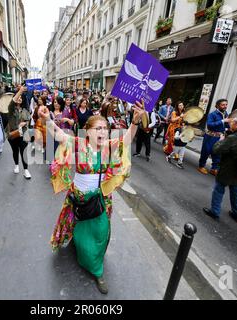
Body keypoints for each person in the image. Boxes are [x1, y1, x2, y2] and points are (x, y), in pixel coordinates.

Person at [39, 100, 146, 294]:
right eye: (98, 128)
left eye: (105, 128)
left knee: (99, 232)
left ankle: (97, 270)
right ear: (87, 131)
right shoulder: (79, 144)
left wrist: (135, 121)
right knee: (77, 228)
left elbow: (127, 139)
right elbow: (59, 134)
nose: (103, 132)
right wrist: (47, 119)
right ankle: (78, 246)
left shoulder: (109, 146)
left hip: (100, 197)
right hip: (78, 196)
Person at [203, 113, 237, 222]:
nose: (230, 123)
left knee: (219, 189)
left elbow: (216, 150)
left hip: (229, 169)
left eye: (233, 122)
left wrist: (221, 140)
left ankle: (215, 211)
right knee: (236, 191)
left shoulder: (234, 138)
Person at [198, 99, 231, 176]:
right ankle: (201, 166)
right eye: (223, 105)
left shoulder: (225, 113)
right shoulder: (212, 114)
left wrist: (230, 126)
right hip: (210, 137)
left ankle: (214, 168)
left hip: (220, 137)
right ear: (218, 105)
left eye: (226, 104)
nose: (225, 106)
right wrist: (223, 121)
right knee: (206, 151)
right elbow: (210, 125)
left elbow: (226, 125)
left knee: (217, 153)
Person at [6, 86, 32, 179]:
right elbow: (12, 102)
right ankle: (16, 165)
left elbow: (28, 120)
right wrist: (20, 91)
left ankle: (26, 170)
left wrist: (25, 123)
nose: (19, 98)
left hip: (23, 134)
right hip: (13, 134)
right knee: (15, 151)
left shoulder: (25, 110)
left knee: (24, 152)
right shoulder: (10, 109)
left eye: (21, 97)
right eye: (18, 97)